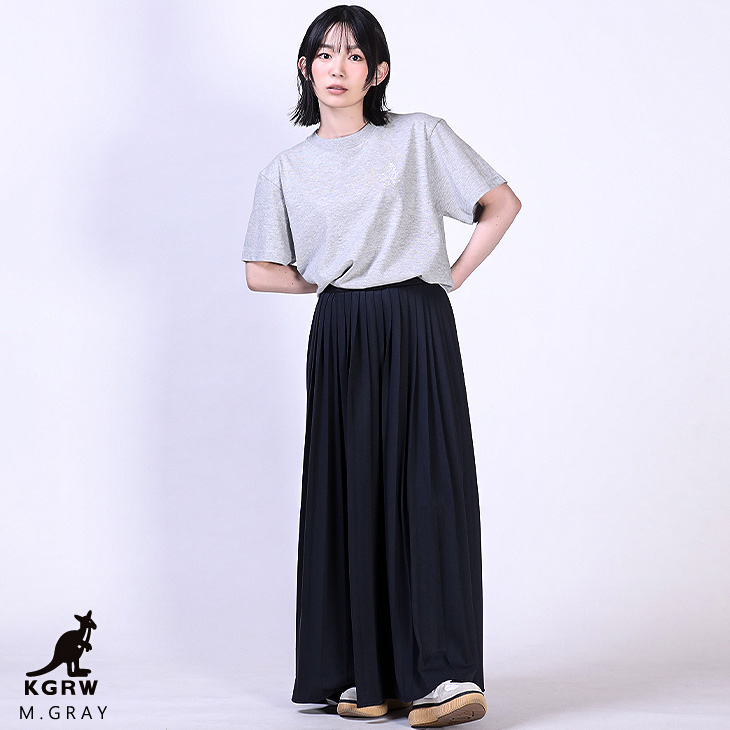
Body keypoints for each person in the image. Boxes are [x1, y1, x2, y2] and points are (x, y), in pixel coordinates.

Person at [241, 5, 521, 727]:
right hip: (342, 331)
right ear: (305, 68)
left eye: (355, 55)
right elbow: (261, 272)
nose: (337, 67)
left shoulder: (417, 136)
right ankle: (366, 676)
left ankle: (445, 676)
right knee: (352, 491)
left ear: (379, 71)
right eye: (324, 54)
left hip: (416, 321)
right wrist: (333, 277)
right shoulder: (287, 169)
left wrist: (450, 275)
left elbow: (500, 203)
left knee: (427, 489)